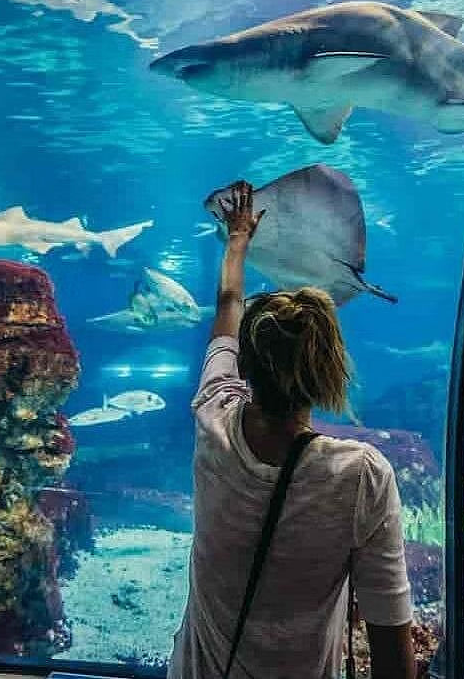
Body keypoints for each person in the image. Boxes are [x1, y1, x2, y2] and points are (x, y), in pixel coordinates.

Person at [168, 181, 416, 679]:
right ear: (330, 372)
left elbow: (228, 304)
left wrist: (237, 239)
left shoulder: (214, 417)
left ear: (245, 366)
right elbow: (390, 639)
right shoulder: (360, 475)